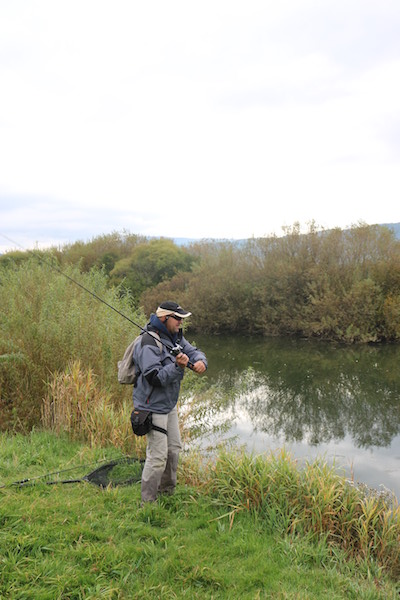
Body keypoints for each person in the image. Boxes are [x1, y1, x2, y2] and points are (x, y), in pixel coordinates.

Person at [133, 300, 207, 503]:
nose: (181, 322)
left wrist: (201, 362)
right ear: (164, 318)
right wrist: (178, 367)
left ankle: (167, 494)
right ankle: (148, 502)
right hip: (151, 406)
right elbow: (154, 377)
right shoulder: (148, 342)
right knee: (157, 457)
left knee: (173, 450)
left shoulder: (175, 337)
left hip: (168, 405)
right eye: (178, 318)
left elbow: (194, 351)